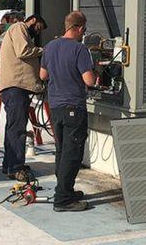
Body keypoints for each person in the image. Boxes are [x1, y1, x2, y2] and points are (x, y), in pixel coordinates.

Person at [40, 11, 95, 212]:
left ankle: (65, 190)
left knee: (62, 150)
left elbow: (42, 75)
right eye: (84, 29)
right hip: (74, 106)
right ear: (80, 28)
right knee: (72, 154)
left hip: (55, 106)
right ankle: (63, 200)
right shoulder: (80, 50)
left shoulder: (50, 47)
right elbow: (89, 80)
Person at [0, 14, 47, 181]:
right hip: (16, 88)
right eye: (38, 28)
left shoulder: (18, 31)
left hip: (15, 88)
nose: (37, 32)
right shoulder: (20, 27)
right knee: (18, 129)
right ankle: (16, 167)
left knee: (12, 128)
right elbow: (23, 51)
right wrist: (45, 50)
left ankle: (9, 165)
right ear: (33, 21)